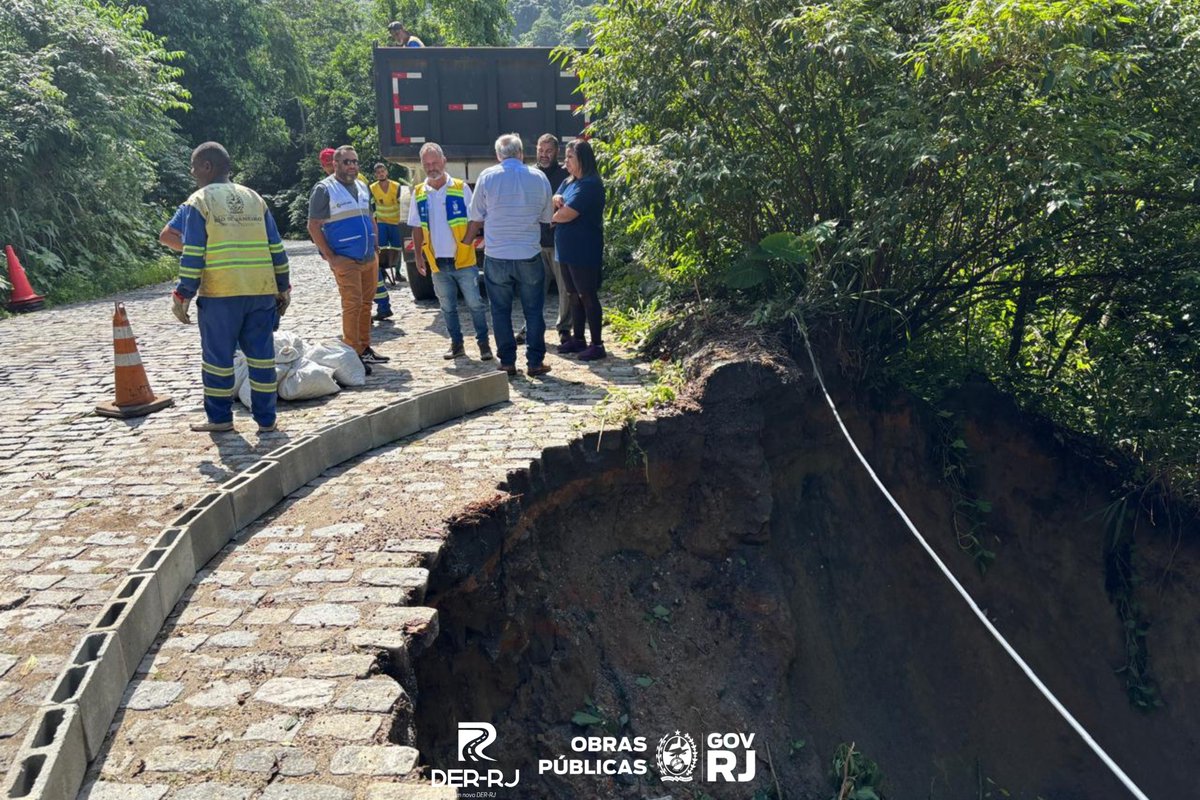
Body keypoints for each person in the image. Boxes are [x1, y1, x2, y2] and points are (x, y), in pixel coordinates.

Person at [159, 141, 290, 433]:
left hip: (220, 295)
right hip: (260, 293)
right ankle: (267, 420)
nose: (192, 173)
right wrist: (283, 286)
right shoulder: (255, 198)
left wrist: (183, 293)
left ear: (207, 167)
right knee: (262, 359)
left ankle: (219, 419)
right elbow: (276, 247)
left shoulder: (199, 201)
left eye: (194, 167)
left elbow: (193, 254)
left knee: (217, 360)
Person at [464, 133, 554, 377]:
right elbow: (546, 218)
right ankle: (535, 362)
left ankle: (507, 362)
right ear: (521, 153)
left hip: (497, 255)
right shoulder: (539, 177)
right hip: (528, 253)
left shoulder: (487, 177)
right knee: (533, 310)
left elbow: (476, 216)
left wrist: (465, 243)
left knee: (500, 310)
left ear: (498, 155)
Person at [307, 145, 390, 372]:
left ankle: (364, 348)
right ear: (335, 164)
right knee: (352, 305)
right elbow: (313, 226)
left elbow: (370, 217)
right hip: (345, 258)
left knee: (366, 303)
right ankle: (352, 353)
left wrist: (375, 245)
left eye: (355, 161)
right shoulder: (325, 189)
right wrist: (331, 257)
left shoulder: (362, 187)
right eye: (347, 162)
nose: (352, 165)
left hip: (368, 257)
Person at [408, 143, 492, 361]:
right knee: (447, 307)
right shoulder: (419, 192)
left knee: (475, 304)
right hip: (437, 262)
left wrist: (465, 244)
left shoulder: (460, 187)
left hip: (463, 260)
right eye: (427, 164)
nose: (431, 167)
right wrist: (418, 256)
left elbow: (475, 219)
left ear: (444, 162)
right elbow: (416, 226)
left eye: (435, 162)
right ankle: (456, 345)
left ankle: (484, 345)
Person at [320, 150, 393, 321]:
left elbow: (368, 213)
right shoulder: (330, 186)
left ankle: (375, 309)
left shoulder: (353, 182)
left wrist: (374, 241)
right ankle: (376, 308)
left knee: (369, 279)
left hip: (359, 242)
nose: (329, 169)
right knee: (368, 279)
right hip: (357, 242)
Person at [553, 139, 607, 361]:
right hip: (566, 248)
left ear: (582, 159)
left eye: (570, 157)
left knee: (587, 295)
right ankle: (578, 339)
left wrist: (553, 217)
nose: (565, 161)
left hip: (584, 248)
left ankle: (597, 344)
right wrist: (557, 200)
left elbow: (567, 213)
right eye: (565, 157)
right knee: (573, 294)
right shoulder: (569, 181)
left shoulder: (590, 184)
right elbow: (556, 198)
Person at [520, 133, 571, 346]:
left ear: (557, 152)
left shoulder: (566, 175)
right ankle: (529, 327)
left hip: (560, 241)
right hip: (535, 241)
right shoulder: (529, 174)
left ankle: (564, 328)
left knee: (565, 289)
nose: (544, 155)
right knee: (532, 289)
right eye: (541, 150)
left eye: (548, 151)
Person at [370, 162, 408, 321]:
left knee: (397, 248)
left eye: (383, 171)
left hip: (395, 222)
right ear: (375, 174)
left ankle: (397, 272)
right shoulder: (372, 188)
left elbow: (402, 202)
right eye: (378, 172)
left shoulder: (396, 186)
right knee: (382, 248)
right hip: (382, 223)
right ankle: (383, 273)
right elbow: (372, 206)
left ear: (386, 172)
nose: (381, 174)